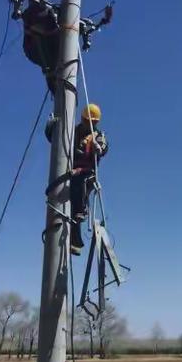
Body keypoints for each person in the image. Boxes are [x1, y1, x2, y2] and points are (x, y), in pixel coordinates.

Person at [70, 103, 108, 255]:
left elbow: (103, 146)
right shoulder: (73, 131)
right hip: (71, 172)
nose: (89, 124)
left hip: (87, 173)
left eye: (92, 122)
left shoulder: (98, 136)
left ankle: (82, 210)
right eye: (87, 121)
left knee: (80, 188)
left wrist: (99, 148)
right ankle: (75, 242)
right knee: (70, 208)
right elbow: (58, 138)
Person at [22, 0, 60, 94]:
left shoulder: (50, 15)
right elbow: (33, 29)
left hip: (49, 51)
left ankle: (54, 79)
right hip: (35, 48)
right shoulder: (29, 15)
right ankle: (53, 78)